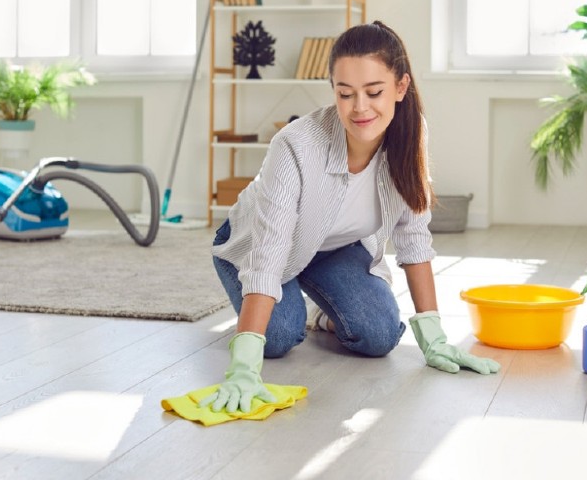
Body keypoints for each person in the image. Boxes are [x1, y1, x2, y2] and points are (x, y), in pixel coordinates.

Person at [204, 21, 500, 414]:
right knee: (276, 338)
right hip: (253, 246)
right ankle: (270, 311)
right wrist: (244, 365)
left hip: (335, 248)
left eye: (374, 92)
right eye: (345, 94)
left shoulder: (411, 134)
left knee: (379, 335)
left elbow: (413, 237)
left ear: (401, 86)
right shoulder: (294, 145)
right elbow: (269, 253)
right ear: (333, 91)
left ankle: (319, 310)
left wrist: (434, 336)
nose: (360, 107)